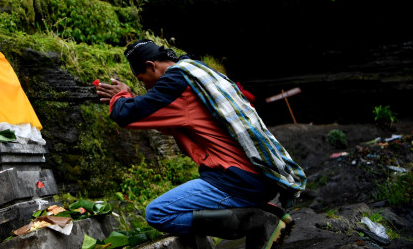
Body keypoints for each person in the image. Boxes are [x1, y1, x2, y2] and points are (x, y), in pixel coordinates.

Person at [96, 39, 306, 249]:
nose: (146, 87)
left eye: (143, 80)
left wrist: (121, 96)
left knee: (158, 213)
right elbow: (170, 120)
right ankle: (265, 210)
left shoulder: (175, 83)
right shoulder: (196, 73)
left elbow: (125, 114)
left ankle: (255, 221)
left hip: (236, 178)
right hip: (258, 176)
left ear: (151, 66)